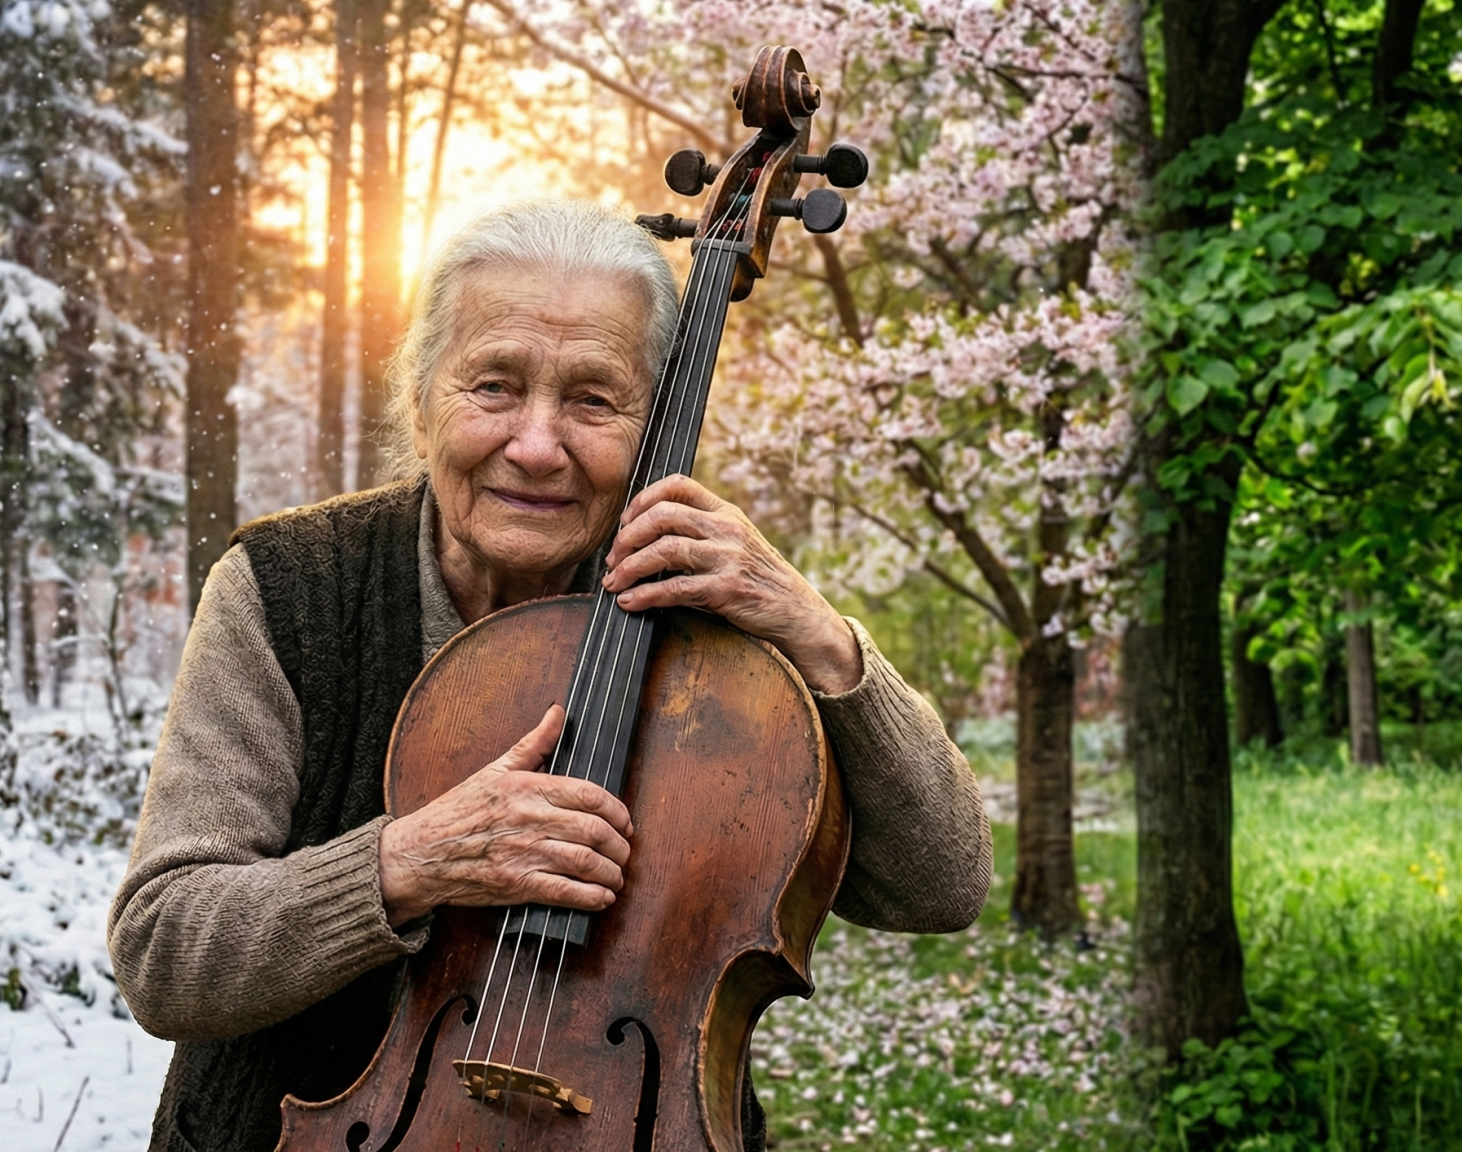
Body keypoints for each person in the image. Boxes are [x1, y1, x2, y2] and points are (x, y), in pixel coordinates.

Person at [108, 199, 992, 1152]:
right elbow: (165, 952)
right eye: (492, 385)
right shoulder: (288, 588)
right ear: (418, 395)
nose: (536, 445)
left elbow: (939, 887)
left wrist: (820, 637)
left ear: (657, 428)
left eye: (593, 400)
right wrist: (410, 862)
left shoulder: (716, 633)